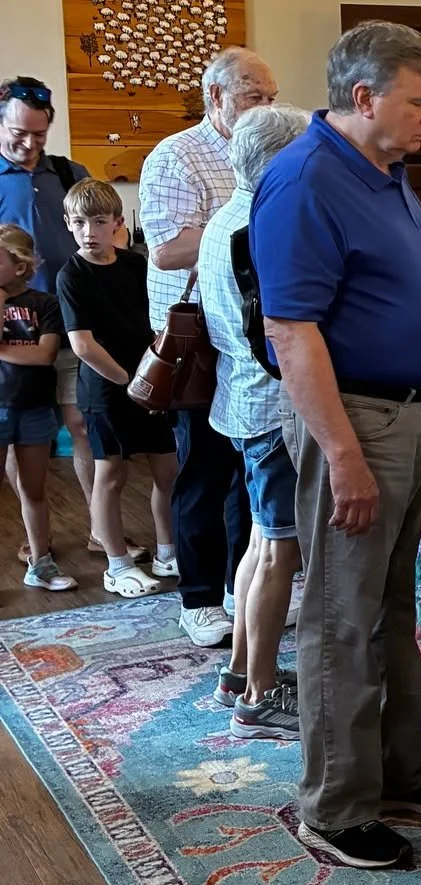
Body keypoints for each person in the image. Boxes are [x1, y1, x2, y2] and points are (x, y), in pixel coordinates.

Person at [251, 22, 421, 871]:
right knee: (343, 618)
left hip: (418, 414)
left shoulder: (384, 169)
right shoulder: (305, 180)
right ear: (364, 97)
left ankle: (395, 773)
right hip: (358, 423)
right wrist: (341, 454)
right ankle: (335, 806)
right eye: (420, 101)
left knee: (405, 611)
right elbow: (292, 328)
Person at [139, 46, 279, 644]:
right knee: (204, 470)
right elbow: (167, 248)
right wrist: (243, 228)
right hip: (197, 334)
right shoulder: (177, 156)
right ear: (216, 98)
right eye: (254, 97)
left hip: (251, 333)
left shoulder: (274, 153)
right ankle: (197, 598)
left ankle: (235, 585)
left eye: (272, 97)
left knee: (252, 470)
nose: (265, 108)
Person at [198, 105, 310, 738]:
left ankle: (242, 669)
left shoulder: (224, 218)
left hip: (242, 401)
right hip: (272, 406)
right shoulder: (263, 225)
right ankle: (261, 693)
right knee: (278, 550)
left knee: (261, 543)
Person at [56, 180, 176, 596]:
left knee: (167, 468)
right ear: (68, 225)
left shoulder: (136, 265)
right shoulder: (71, 275)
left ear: (118, 224)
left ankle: (168, 550)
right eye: (80, 223)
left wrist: (154, 376)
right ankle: (117, 564)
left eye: (99, 221)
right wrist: (130, 381)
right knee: (111, 475)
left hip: (150, 383)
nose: (89, 230)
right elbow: (82, 344)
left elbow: (158, 316)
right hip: (107, 389)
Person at [0, 74, 94, 521]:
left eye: (39, 133)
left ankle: (101, 528)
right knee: (25, 437)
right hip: (16, 327)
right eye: (19, 133)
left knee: (82, 424)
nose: (29, 143)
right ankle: (33, 538)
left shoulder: (67, 173)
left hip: (72, 319)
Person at [0, 224, 76, 590]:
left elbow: (46, 355)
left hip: (33, 407)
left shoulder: (44, 303)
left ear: (20, 266)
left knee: (34, 489)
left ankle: (41, 564)